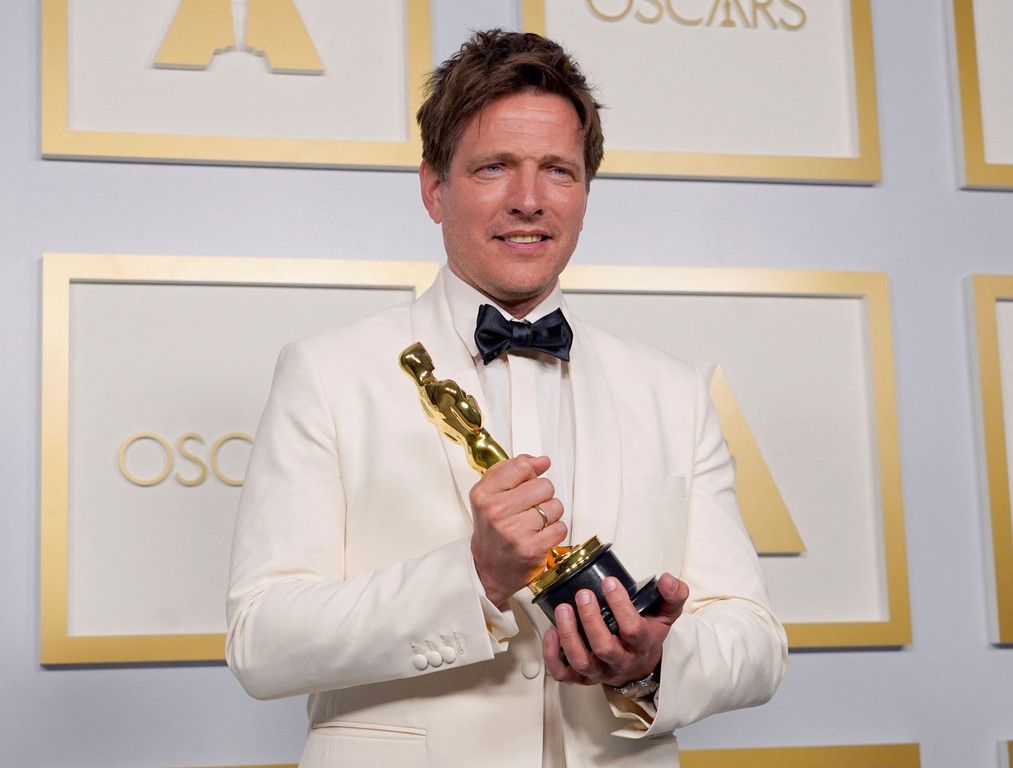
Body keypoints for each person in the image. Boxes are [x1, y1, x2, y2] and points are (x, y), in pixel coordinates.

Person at [226, 29, 787, 768]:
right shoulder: (326, 373)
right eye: (494, 167)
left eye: (558, 171)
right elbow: (261, 639)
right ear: (434, 188)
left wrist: (651, 663)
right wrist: (476, 577)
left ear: (584, 194)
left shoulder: (671, 393)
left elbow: (753, 639)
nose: (528, 201)